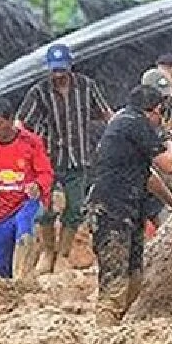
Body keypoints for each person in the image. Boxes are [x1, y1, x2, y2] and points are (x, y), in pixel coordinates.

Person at [87, 85, 172, 326]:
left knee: (134, 277)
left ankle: (117, 327)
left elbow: (148, 176)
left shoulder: (126, 121)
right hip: (111, 209)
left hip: (127, 209)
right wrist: (170, 135)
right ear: (153, 110)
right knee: (115, 279)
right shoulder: (135, 124)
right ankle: (104, 334)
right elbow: (169, 165)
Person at [16, 42, 113, 273]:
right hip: (48, 159)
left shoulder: (86, 86)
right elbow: (22, 123)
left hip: (78, 157)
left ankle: (63, 253)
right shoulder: (39, 91)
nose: (58, 74)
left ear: (70, 65)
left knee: (76, 207)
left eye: (62, 68)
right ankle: (48, 251)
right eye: (54, 69)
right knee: (45, 208)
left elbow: (106, 113)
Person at [0, 98, 55, 282]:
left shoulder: (30, 142)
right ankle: (8, 287)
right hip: (6, 204)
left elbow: (46, 173)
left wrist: (37, 186)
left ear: (11, 120)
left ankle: (24, 279)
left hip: (30, 200)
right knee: (1, 254)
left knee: (24, 227)